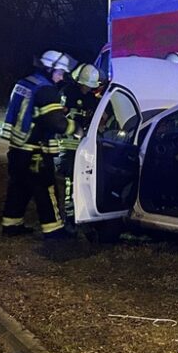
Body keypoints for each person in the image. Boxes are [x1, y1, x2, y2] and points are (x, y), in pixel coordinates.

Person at [0, 49, 75, 242]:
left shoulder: (25, 82)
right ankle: (54, 230)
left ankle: (11, 224)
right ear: (49, 69)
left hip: (17, 148)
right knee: (46, 189)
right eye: (59, 72)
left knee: (19, 187)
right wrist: (76, 127)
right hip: (36, 151)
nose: (61, 77)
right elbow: (55, 122)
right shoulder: (46, 89)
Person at [53, 62, 106, 237]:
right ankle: (69, 218)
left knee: (86, 183)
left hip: (85, 148)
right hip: (68, 147)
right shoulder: (67, 93)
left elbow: (101, 119)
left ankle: (84, 216)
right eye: (86, 85)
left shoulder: (93, 99)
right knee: (70, 182)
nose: (87, 89)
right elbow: (59, 117)